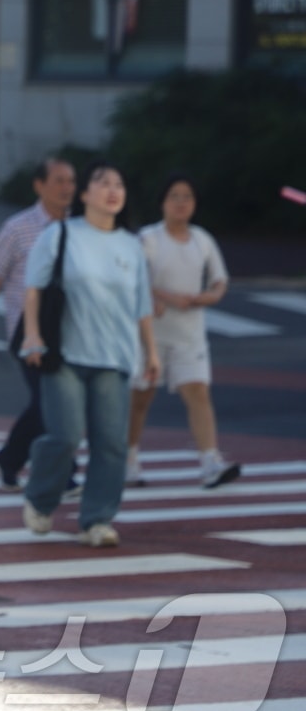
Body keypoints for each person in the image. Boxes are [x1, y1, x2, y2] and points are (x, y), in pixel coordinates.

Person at [20, 160, 158, 549]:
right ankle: (40, 498)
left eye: (119, 184)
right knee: (64, 435)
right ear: (85, 195)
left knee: (111, 442)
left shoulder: (131, 245)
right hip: (63, 353)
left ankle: (96, 519)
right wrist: (32, 334)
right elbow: (34, 288)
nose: (112, 190)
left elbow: (141, 304)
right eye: (102, 183)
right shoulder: (61, 234)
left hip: (114, 356)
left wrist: (151, 352)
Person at [0, 157, 77, 491]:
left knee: (58, 403)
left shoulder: (82, 226)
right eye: (58, 180)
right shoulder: (19, 227)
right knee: (50, 403)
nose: (66, 188)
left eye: (71, 181)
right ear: (39, 185)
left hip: (71, 332)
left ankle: (8, 459)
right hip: (27, 331)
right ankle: (64, 473)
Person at [128, 174, 238, 490]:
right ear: (162, 203)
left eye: (187, 196)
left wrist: (208, 297)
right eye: (174, 196)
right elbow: (135, 277)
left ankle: (210, 462)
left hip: (190, 333)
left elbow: (219, 280)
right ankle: (128, 460)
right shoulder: (148, 239)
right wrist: (159, 296)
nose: (181, 203)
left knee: (198, 392)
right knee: (140, 398)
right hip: (150, 334)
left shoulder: (202, 239)